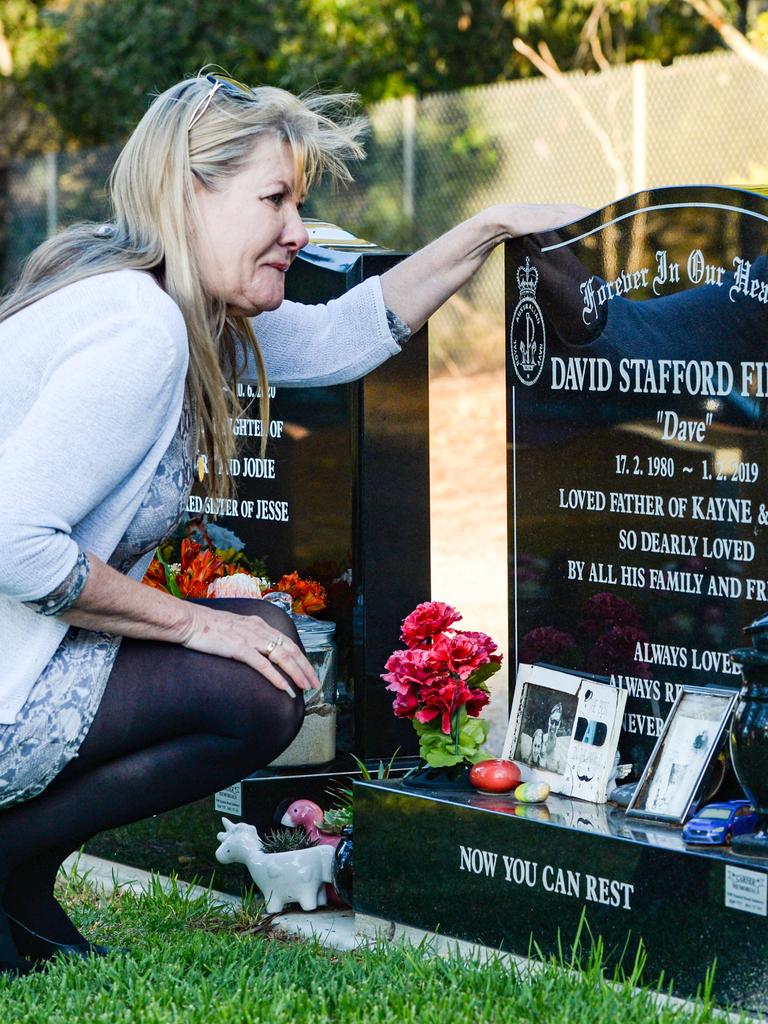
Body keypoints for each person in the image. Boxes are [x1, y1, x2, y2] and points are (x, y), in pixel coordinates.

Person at [0, 72, 582, 976]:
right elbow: (15, 542)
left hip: (18, 659)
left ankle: (18, 876)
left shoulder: (176, 308)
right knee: (253, 682)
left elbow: (351, 332)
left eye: (297, 202)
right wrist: (194, 622)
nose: (298, 232)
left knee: (264, 640)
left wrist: (490, 227)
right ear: (189, 192)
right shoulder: (137, 329)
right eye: (274, 198)